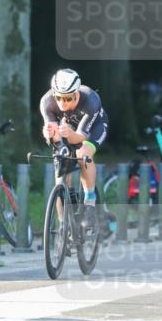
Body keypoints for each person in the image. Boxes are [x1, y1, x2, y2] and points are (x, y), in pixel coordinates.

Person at [39, 69, 108, 225]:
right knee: (60, 175)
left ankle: (90, 201)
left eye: (68, 98)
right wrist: (48, 134)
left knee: (83, 153)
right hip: (67, 129)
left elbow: (81, 137)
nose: (62, 103)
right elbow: (54, 138)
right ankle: (64, 225)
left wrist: (69, 134)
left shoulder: (91, 99)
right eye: (58, 97)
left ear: (76, 93)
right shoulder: (47, 102)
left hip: (92, 129)